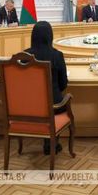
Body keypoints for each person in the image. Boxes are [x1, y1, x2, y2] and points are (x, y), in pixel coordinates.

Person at [24, 21, 68, 155]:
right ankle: (52, 143)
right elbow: (63, 84)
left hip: (29, 104)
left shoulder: (24, 55)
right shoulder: (57, 55)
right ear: (50, 36)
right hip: (53, 105)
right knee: (60, 100)